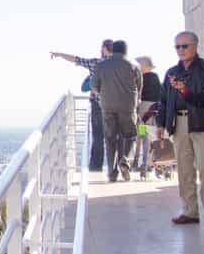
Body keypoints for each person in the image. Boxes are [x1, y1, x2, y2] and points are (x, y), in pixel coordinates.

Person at [159, 31, 204, 225]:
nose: (181, 50)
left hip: (202, 124)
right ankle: (190, 211)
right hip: (179, 124)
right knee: (184, 170)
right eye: (177, 46)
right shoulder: (171, 72)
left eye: (184, 46)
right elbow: (164, 100)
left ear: (195, 46)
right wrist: (161, 123)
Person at [52, 41, 112, 173]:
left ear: (104, 49)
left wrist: (60, 54)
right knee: (113, 137)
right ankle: (114, 167)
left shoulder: (96, 63)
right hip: (115, 106)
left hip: (98, 104)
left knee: (98, 137)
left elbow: (77, 60)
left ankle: (95, 167)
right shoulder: (120, 67)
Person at [89, 40, 140, 182]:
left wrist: (102, 95)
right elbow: (139, 86)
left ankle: (112, 173)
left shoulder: (101, 65)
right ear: (125, 51)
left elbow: (94, 86)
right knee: (129, 136)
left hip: (107, 106)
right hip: (128, 107)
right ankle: (125, 160)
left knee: (110, 139)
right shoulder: (134, 65)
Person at [134, 56, 163, 178]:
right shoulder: (156, 77)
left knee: (142, 136)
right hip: (154, 111)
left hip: (143, 112)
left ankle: (142, 163)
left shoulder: (142, 78)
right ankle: (148, 163)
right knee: (148, 137)